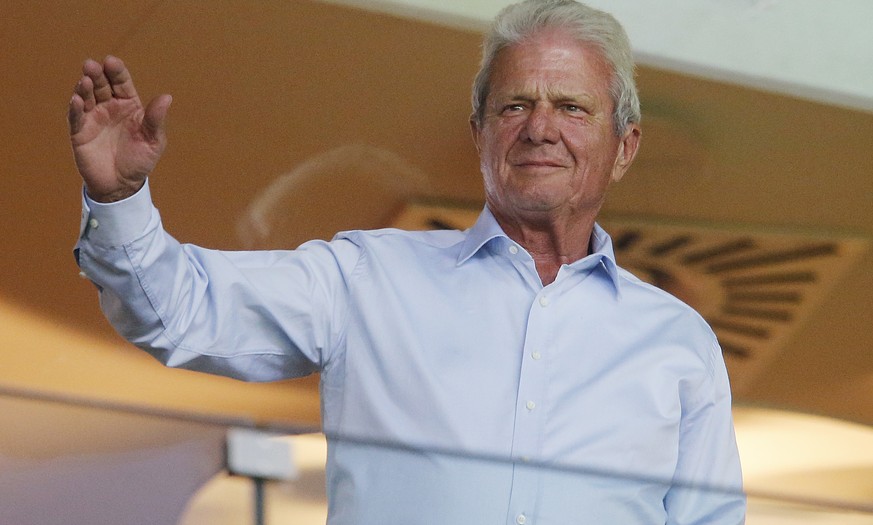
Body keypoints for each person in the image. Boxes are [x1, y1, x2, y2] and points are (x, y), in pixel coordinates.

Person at [70, 0, 745, 523]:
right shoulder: (368, 277)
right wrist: (120, 197)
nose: (540, 128)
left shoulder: (677, 341)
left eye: (571, 107)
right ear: (479, 133)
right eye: (515, 105)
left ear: (624, 147)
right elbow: (182, 311)